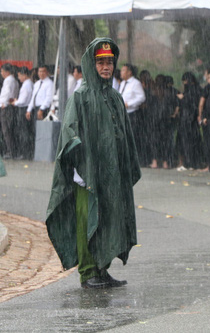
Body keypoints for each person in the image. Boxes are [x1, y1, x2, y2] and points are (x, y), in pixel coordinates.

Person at [47, 37, 140, 289]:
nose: (106, 67)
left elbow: (125, 136)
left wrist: (126, 166)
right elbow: (70, 131)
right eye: (100, 62)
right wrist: (79, 167)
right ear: (91, 63)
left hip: (111, 174)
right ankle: (88, 272)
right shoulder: (81, 96)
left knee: (109, 219)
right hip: (87, 173)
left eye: (110, 62)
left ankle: (101, 268)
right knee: (88, 220)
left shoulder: (115, 97)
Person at [149, 74, 178, 169]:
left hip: (155, 120)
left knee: (155, 140)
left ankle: (155, 161)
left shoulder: (153, 93)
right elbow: (176, 105)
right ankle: (166, 162)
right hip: (167, 120)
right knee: (166, 141)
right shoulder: (170, 93)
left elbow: (149, 107)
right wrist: (173, 114)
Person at [0, 63, 19, 159]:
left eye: (2, 71)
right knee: (9, 130)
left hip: (6, 107)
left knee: (7, 130)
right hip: (10, 107)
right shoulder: (13, 80)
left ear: (6, 72)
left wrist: (4, 103)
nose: (1, 73)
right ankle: (12, 150)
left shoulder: (8, 80)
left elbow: (7, 93)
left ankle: (10, 151)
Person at [14, 66, 33, 160]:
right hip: (24, 108)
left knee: (23, 132)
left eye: (19, 76)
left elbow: (23, 100)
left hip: (23, 108)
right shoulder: (28, 83)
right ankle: (26, 152)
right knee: (24, 132)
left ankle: (25, 152)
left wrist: (15, 102)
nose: (19, 78)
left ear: (24, 75)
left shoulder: (26, 84)